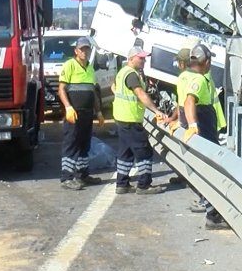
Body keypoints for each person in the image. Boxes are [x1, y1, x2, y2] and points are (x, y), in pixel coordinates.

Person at [175, 43, 230, 230]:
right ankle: (213, 216)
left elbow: (183, 103)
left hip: (205, 130)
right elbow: (189, 101)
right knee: (209, 174)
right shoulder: (198, 80)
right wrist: (192, 124)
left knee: (205, 174)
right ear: (205, 61)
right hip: (204, 132)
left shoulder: (191, 77)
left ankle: (212, 213)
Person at [113, 46, 165, 195]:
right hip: (130, 119)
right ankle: (144, 185)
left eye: (144, 58)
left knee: (126, 152)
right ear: (131, 59)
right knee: (144, 151)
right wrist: (156, 111)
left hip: (122, 117)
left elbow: (114, 88)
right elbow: (141, 94)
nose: (144, 60)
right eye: (140, 58)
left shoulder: (123, 72)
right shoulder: (131, 75)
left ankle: (122, 183)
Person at [58, 36, 105, 190]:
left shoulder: (90, 68)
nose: (84, 52)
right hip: (74, 113)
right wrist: (68, 107)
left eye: (87, 49)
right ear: (76, 51)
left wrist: (98, 112)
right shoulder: (69, 65)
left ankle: (83, 175)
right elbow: (61, 89)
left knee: (85, 144)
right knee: (71, 144)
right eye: (82, 49)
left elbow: (93, 92)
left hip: (86, 114)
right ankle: (67, 178)